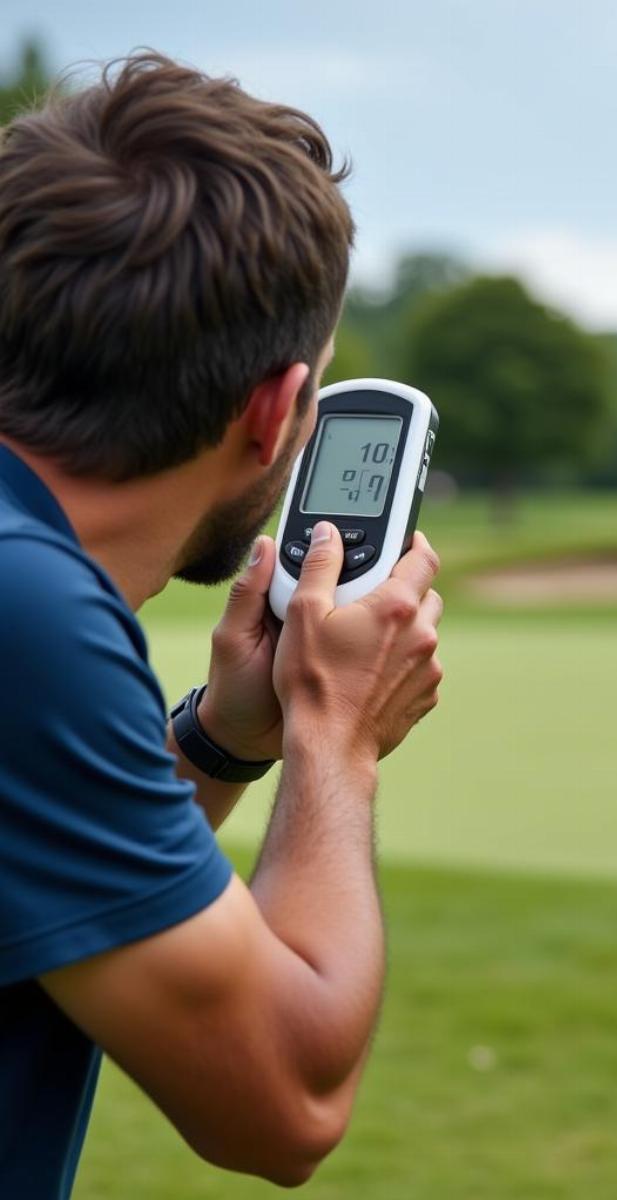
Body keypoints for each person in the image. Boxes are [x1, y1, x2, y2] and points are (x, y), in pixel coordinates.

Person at [0, 52, 443, 1196]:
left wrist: (225, 738)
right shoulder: (29, 619)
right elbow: (284, 1104)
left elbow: (63, 884)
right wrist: (331, 734)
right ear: (275, 408)